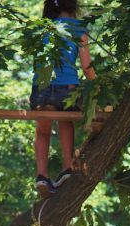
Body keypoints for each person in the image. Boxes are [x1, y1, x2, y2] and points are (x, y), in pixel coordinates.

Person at [30, 0, 96, 197]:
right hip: (67, 88)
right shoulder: (78, 29)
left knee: (42, 131)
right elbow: (87, 67)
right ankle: (67, 168)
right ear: (74, 6)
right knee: (65, 123)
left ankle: (42, 175)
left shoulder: (42, 28)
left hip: (41, 87)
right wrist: (99, 86)